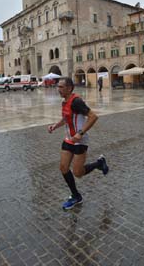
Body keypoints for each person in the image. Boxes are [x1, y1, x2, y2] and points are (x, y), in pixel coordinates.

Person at [48, 77, 109, 210]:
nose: (58, 89)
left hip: (80, 141)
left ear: (69, 88)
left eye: (61, 87)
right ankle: (76, 196)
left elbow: (93, 117)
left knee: (78, 173)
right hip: (68, 139)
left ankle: (99, 163)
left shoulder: (77, 101)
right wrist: (55, 126)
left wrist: (80, 133)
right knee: (63, 168)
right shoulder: (64, 102)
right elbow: (66, 118)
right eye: (58, 87)